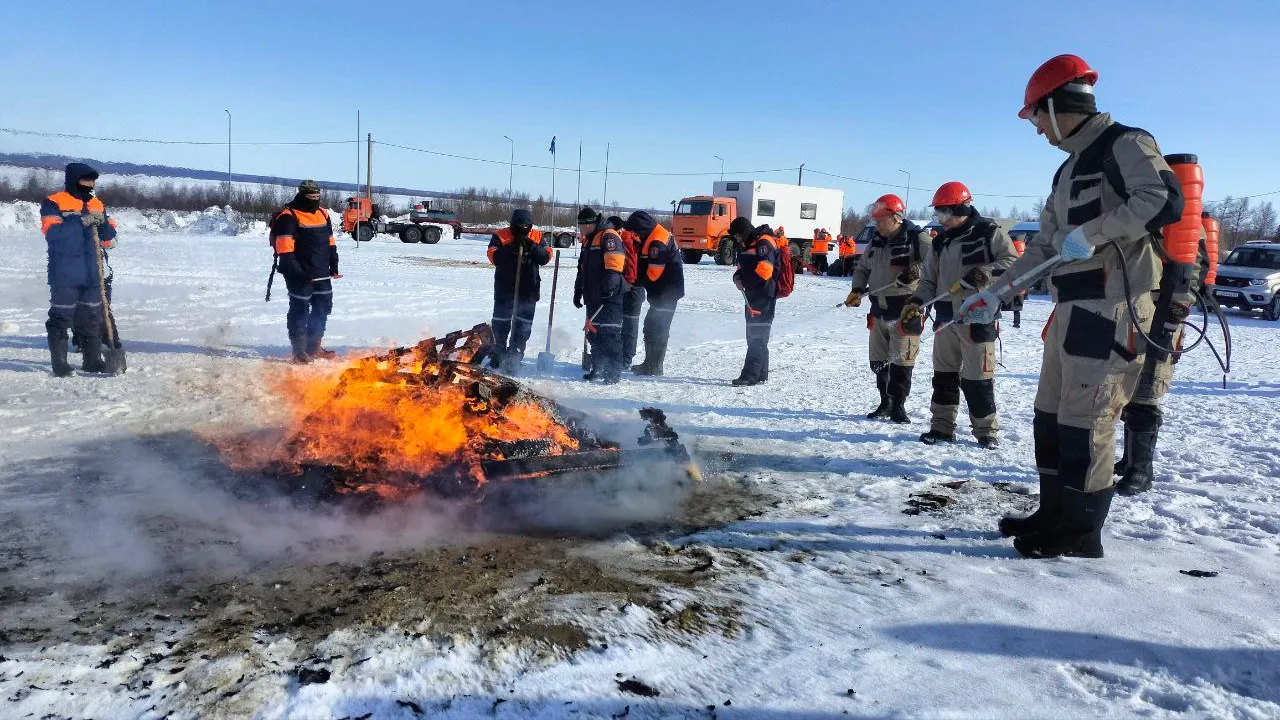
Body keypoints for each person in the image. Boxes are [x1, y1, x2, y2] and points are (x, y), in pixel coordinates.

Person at [960, 54, 1184, 558]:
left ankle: (1081, 533)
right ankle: (1054, 512)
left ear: (1059, 104)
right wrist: (997, 290)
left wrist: (1094, 232)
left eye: (1036, 116)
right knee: (1051, 415)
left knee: (1088, 420)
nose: (1036, 128)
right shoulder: (1066, 170)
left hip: (1113, 308)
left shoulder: (1126, 144)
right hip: (1068, 309)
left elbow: (1163, 199)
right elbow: (1041, 246)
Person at [902, 181, 1017, 448]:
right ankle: (941, 428)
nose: (940, 219)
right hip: (944, 319)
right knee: (944, 376)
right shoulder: (940, 241)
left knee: (978, 378)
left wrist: (983, 273)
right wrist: (916, 300)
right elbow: (929, 280)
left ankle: (986, 432)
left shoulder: (989, 232)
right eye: (937, 214)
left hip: (977, 318)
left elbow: (1013, 263)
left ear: (961, 208)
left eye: (944, 213)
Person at [1113, 228, 1211, 495]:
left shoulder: (1183, 217)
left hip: (1162, 312)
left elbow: (1194, 266)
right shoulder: (1134, 206)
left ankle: (1141, 471)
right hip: (1130, 309)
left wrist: (1178, 305)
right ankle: (1129, 459)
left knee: (1147, 387)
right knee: (1126, 386)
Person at [845, 194, 927, 423]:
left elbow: (933, 265)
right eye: (876, 221)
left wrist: (914, 271)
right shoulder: (876, 240)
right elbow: (862, 268)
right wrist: (857, 289)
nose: (877, 225)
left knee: (901, 362)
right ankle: (885, 401)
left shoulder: (917, 239)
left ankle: (899, 406)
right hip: (878, 310)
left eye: (881, 221)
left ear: (896, 218)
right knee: (878, 361)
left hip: (905, 309)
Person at [40, 163, 117, 376]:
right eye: (85, 180)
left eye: (92, 181)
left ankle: (92, 361)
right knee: (61, 317)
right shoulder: (54, 202)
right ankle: (60, 363)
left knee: (92, 317)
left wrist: (103, 226)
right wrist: (81, 222)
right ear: (74, 179)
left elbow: (109, 240)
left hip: (94, 271)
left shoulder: (97, 203)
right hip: (65, 271)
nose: (89, 184)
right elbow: (53, 233)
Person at [270, 180, 340, 363]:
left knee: (322, 309)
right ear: (302, 195)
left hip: (322, 272)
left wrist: (334, 263)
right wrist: (300, 274)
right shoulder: (289, 216)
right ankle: (299, 351)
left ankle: (314, 347)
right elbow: (285, 251)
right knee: (300, 311)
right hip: (299, 276)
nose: (315, 200)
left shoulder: (323, 213)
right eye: (311, 197)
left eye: (317, 196)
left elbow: (330, 241)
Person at [486, 208, 550, 373]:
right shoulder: (501, 235)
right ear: (512, 224)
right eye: (518, 226)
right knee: (500, 323)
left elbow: (545, 257)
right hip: (504, 289)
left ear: (530, 226)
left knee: (522, 326)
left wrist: (532, 246)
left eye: (525, 226)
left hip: (529, 289)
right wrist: (511, 247)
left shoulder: (537, 236)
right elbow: (494, 257)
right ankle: (498, 355)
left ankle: (515, 357)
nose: (522, 229)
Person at [624, 210, 686, 376]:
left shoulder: (658, 243)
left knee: (658, 328)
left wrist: (632, 281)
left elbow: (653, 274)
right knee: (651, 326)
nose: (634, 235)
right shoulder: (650, 237)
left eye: (634, 231)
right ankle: (650, 363)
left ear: (641, 228)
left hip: (667, 293)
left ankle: (655, 366)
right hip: (660, 293)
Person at [573, 207, 628, 383]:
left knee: (610, 333)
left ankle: (612, 372)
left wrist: (609, 289)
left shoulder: (609, 236)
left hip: (610, 296)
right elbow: (582, 269)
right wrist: (578, 290)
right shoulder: (588, 240)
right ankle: (598, 367)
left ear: (590, 224)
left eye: (582, 226)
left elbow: (615, 265)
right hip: (593, 295)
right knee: (594, 333)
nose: (580, 229)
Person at [730, 218, 780, 386]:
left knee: (756, 336)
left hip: (764, 296)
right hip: (751, 295)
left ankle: (750, 375)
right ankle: (760, 373)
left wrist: (744, 281)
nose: (737, 240)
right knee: (755, 335)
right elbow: (742, 267)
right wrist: (737, 277)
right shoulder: (746, 244)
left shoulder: (764, 242)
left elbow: (764, 271)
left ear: (743, 232)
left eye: (737, 236)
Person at [606, 215, 645, 371]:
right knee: (621, 324)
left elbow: (631, 266)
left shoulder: (626, 239)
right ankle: (620, 357)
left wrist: (626, 284)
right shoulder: (627, 238)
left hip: (631, 288)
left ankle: (625, 358)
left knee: (628, 324)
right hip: (629, 288)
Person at [1000, 234, 1027, 327]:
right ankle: (1016, 323)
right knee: (1017, 307)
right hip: (1020, 286)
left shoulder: (1010, 249)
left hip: (1008, 284)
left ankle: (997, 321)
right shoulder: (1023, 250)